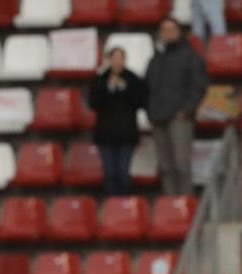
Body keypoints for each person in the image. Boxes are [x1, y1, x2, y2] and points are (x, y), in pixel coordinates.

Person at [147, 19, 206, 197]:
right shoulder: (156, 59)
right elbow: (148, 86)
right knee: (166, 167)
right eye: (164, 30)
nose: (168, 33)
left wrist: (186, 110)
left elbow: (199, 86)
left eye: (172, 29)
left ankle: (186, 204)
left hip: (179, 117)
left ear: (179, 32)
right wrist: (150, 110)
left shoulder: (190, 56)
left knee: (181, 164)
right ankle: (171, 207)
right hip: (158, 117)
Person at [88, 44, 146, 198]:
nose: (117, 62)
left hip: (126, 135)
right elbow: (93, 103)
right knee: (110, 174)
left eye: (120, 58)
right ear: (108, 60)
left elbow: (141, 101)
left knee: (123, 174)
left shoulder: (133, 79)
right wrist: (108, 88)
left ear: (125, 60)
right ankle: (112, 209)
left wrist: (125, 88)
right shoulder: (100, 80)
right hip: (105, 137)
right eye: (114, 58)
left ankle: (124, 206)